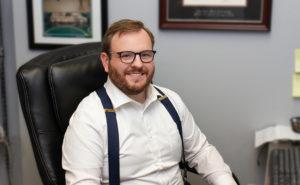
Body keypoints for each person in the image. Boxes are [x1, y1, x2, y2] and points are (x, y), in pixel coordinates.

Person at [62, 19, 237, 185]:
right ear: (106, 62)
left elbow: (201, 152)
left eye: (145, 54)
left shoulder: (171, 101)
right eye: (126, 55)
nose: (138, 64)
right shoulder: (89, 116)